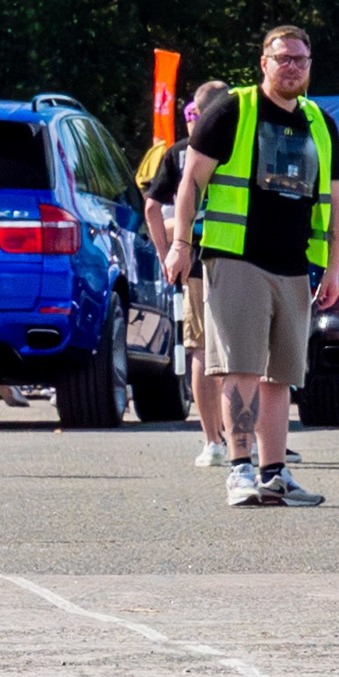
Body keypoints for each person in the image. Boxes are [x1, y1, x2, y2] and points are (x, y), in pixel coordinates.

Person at [165, 27, 339, 506]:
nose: (292, 67)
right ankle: (240, 470)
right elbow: (189, 183)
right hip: (236, 258)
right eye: (283, 58)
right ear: (263, 62)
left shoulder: (319, 123)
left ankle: (274, 473)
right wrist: (180, 244)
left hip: (294, 265)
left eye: (301, 60)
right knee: (240, 367)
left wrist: (332, 270)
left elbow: (335, 199)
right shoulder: (232, 110)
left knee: (280, 375)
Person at [147, 79, 234, 465]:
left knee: (200, 349)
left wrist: (168, 254)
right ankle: (253, 439)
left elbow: (151, 208)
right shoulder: (243, 145)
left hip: (196, 260)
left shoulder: (179, 153)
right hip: (240, 255)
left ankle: (213, 441)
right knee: (242, 353)